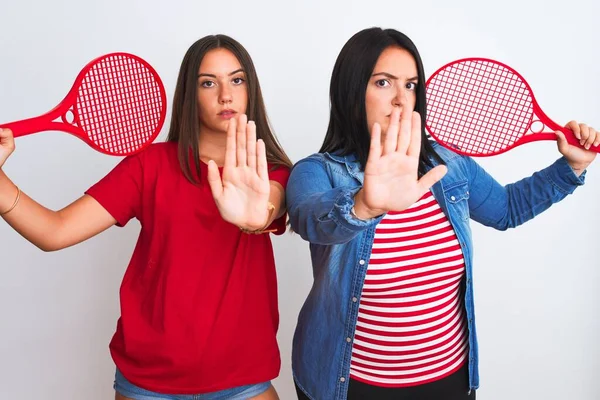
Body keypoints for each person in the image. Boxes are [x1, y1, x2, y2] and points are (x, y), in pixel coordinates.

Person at [286, 27, 597, 400]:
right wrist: (364, 205)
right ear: (352, 92)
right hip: (349, 385)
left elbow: (506, 209)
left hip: (448, 380)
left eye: (411, 84)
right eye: (383, 82)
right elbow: (308, 220)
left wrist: (571, 168)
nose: (402, 99)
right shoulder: (317, 171)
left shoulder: (448, 162)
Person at [0, 34, 292, 400]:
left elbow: (273, 203)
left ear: (251, 89)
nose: (225, 95)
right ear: (190, 93)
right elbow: (54, 232)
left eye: (237, 80)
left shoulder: (273, 174)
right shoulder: (148, 167)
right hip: (148, 384)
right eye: (208, 82)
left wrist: (257, 213)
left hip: (242, 380)